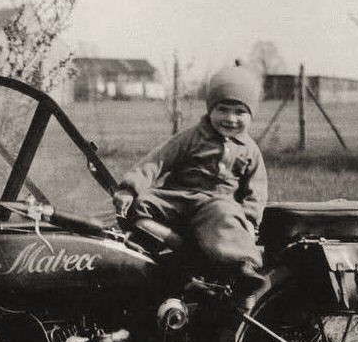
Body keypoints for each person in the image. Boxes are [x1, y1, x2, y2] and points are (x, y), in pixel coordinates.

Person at [113, 63, 268, 305]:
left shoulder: (249, 150)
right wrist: (129, 189)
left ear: (251, 115)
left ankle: (243, 269)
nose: (230, 119)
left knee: (227, 215)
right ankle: (147, 251)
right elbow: (157, 161)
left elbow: (255, 189)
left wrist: (250, 219)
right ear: (210, 109)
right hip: (179, 197)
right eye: (223, 109)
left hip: (215, 203)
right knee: (142, 203)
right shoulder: (192, 137)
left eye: (240, 112)